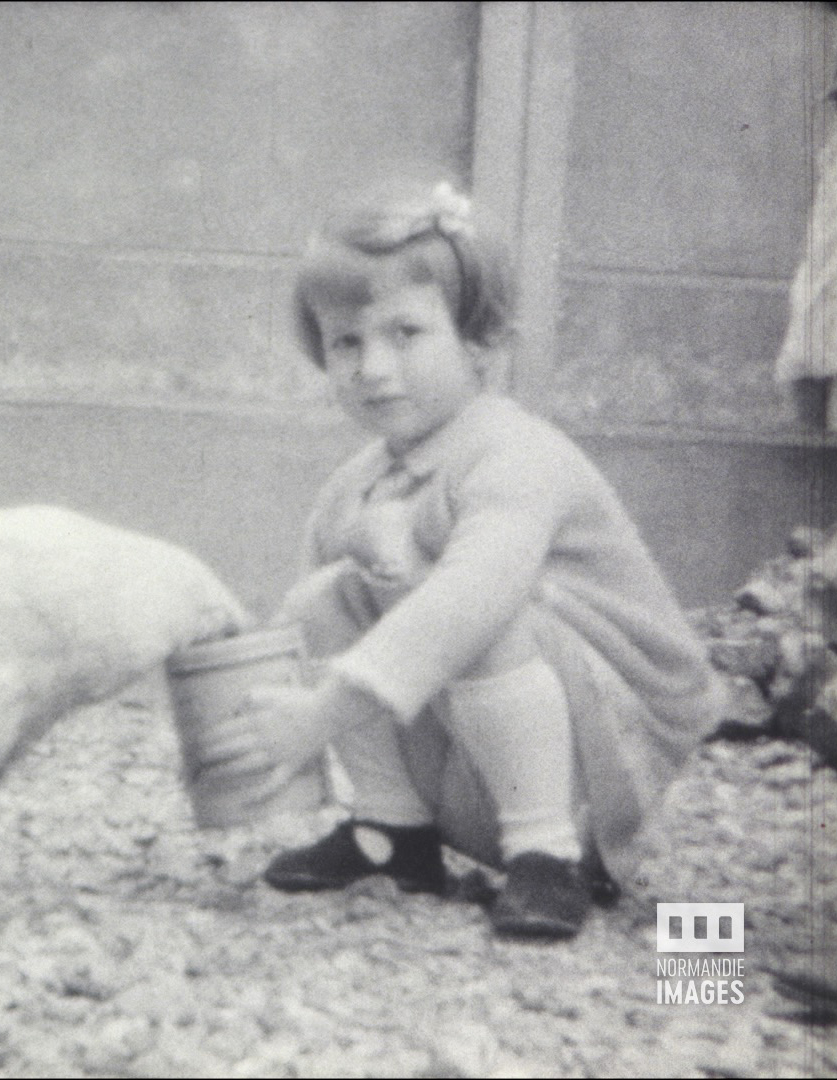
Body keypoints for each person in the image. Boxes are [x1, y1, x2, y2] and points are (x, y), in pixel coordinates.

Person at [209, 182, 727, 940]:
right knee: (329, 594)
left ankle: (545, 862)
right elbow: (306, 622)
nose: (372, 368)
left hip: (601, 755)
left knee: (479, 606)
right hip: (479, 752)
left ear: (480, 341)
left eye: (405, 334)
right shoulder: (355, 481)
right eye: (345, 341)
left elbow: (466, 605)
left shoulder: (516, 455)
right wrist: (252, 714)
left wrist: (319, 715)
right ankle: (392, 833)